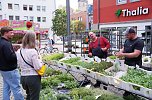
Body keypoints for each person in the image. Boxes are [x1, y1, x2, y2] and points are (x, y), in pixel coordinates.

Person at [16, 32, 43, 100]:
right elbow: (37, 67)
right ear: (33, 40)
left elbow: (18, 65)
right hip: (33, 77)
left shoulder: (19, 51)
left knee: (29, 96)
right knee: (34, 97)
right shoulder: (33, 51)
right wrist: (41, 61)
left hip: (23, 77)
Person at [0, 27, 24, 100]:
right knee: (16, 88)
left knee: (6, 88)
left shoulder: (1, 42)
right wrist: (17, 52)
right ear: (5, 33)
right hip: (11, 70)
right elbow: (10, 58)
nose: (13, 34)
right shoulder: (6, 44)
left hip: (3, 69)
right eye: (11, 33)